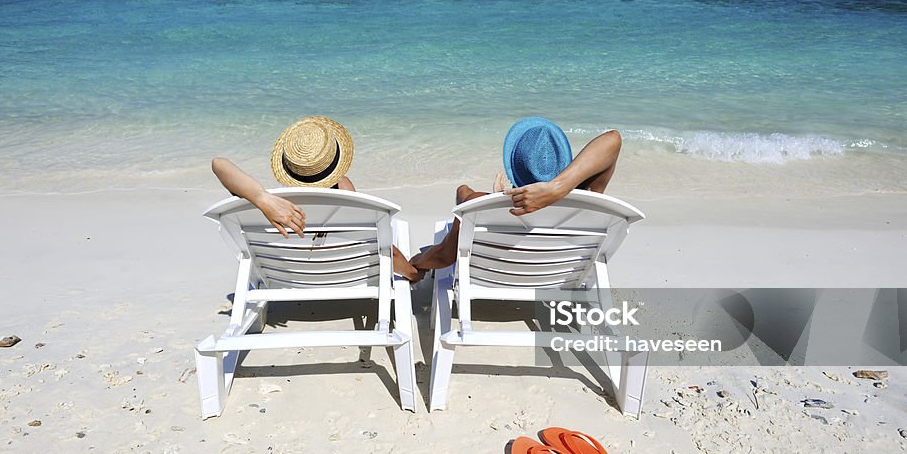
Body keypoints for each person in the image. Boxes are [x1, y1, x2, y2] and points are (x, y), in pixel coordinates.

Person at [212, 116, 423, 282]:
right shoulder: (347, 195)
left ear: (288, 168)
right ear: (337, 161)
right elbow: (385, 251)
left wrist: (261, 198)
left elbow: (218, 164)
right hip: (347, 274)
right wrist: (414, 274)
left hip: (287, 276)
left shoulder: (274, 207)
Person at [409, 116, 622, 272]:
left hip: (498, 272)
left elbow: (443, 257)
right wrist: (559, 188)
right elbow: (613, 139)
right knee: (467, 195)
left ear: (515, 165)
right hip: (556, 271)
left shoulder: (478, 208)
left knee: (466, 194)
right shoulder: (586, 204)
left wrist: (415, 264)